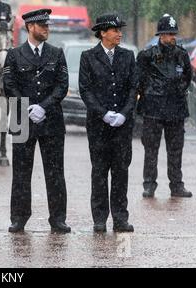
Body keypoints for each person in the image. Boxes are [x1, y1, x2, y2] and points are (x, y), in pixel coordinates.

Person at [3, 9, 71, 234]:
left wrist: (44, 106)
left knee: (55, 173)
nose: (46, 29)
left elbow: (62, 85)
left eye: (47, 25)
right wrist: (28, 106)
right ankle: (19, 218)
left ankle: (58, 218)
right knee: (21, 173)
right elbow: (9, 85)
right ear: (30, 27)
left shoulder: (56, 53)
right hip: (23, 119)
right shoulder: (14, 54)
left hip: (51, 120)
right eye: (42, 26)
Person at [79, 13, 138, 233]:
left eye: (120, 30)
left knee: (121, 172)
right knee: (100, 172)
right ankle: (100, 218)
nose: (119, 34)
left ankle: (121, 218)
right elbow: (85, 90)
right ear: (103, 33)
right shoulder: (88, 57)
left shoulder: (128, 56)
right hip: (98, 126)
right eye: (115, 30)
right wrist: (103, 113)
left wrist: (124, 113)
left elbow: (134, 87)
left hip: (123, 126)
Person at [137, 14, 193, 198]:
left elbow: (187, 78)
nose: (172, 37)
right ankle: (149, 184)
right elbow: (140, 79)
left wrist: (176, 90)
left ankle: (176, 185)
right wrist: (153, 92)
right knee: (151, 150)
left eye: (173, 33)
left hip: (176, 109)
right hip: (153, 109)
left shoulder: (182, 55)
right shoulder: (147, 55)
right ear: (161, 35)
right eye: (168, 34)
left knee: (175, 150)